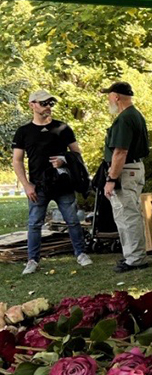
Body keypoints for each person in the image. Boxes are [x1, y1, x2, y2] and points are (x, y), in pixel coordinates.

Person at [11, 90, 92, 275]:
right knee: (34, 224)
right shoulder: (23, 132)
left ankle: (81, 254)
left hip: (63, 184)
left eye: (50, 103)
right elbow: (17, 160)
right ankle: (32, 260)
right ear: (32, 104)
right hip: (38, 186)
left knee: (72, 220)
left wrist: (64, 159)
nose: (47, 106)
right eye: (43, 103)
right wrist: (26, 185)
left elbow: (77, 153)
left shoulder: (62, 128)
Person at [101, 81, 150, 273]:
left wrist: (111, 179)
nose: (108, 100)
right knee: (129, 213)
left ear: (116, 97)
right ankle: (132, 255)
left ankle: (135, 258)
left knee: (127, 215)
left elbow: (120, 152)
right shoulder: (135, 115)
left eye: (109, 96)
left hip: (126, 170)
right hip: (134, 168)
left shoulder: (125, 118)